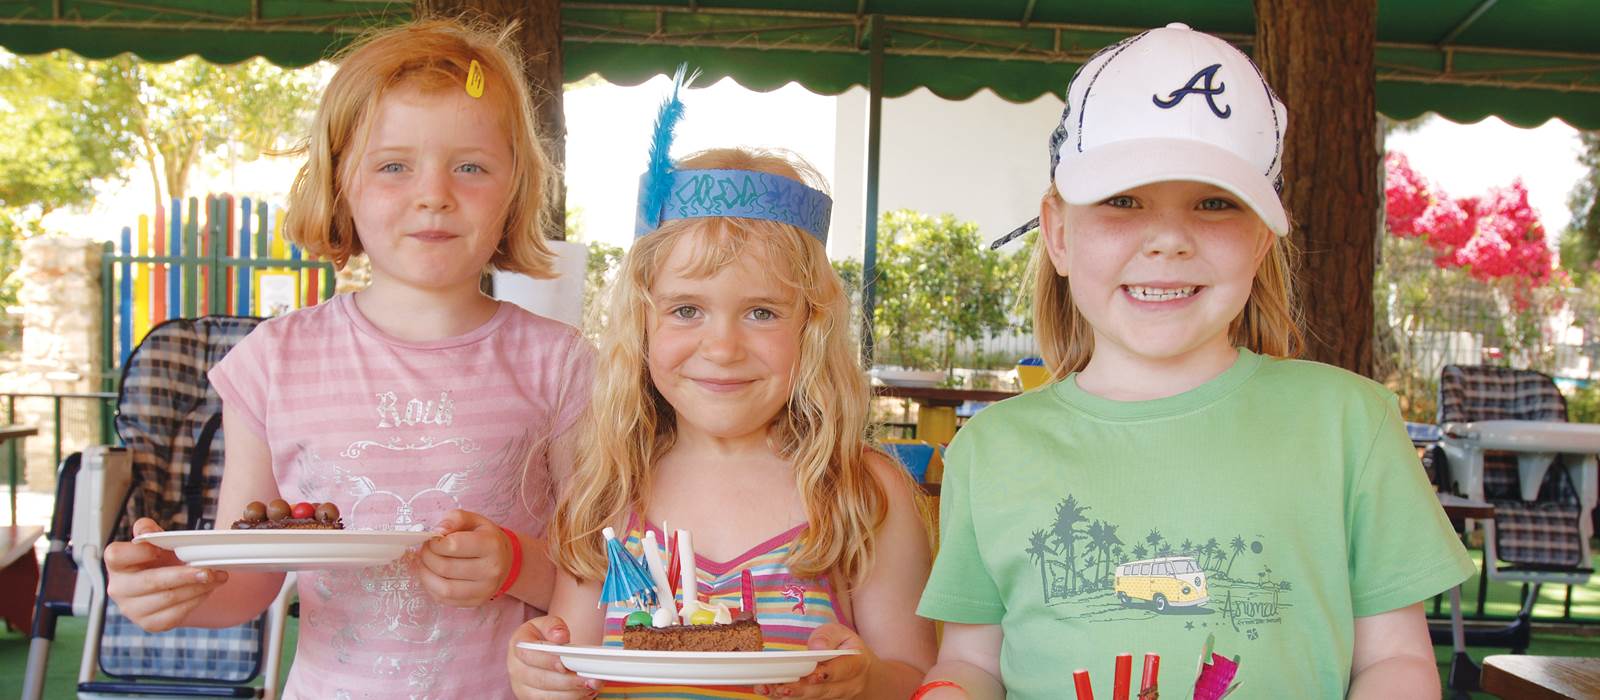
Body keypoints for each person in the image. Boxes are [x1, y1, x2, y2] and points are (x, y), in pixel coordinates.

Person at [914, 23, 1473, 699]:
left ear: (1263, 238)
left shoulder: (1353, 423)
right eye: (1123, 201)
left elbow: (1395, 662)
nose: (1170, 240)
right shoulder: (991, 449)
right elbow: (972, 661)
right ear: (1060, 233)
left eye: (1214, 204)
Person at [103, 17, 591, 698]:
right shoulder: (272, 361)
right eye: (394, 165)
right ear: (340, 187)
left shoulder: (561, 363)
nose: (434, 193)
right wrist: (177, 587)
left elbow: (597, 571)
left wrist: (519, 566)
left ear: (515, 188)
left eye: (471, 166)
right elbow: (248, 580)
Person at [505, 142, 936, 699]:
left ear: (812, 326)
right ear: (642, 324)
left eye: (762, 312)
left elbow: (916, 676)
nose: (723, 347)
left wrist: (865, 681)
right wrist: (542, 674)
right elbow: (574, 664)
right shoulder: (610, 493)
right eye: (687, 310)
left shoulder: (861, 494)